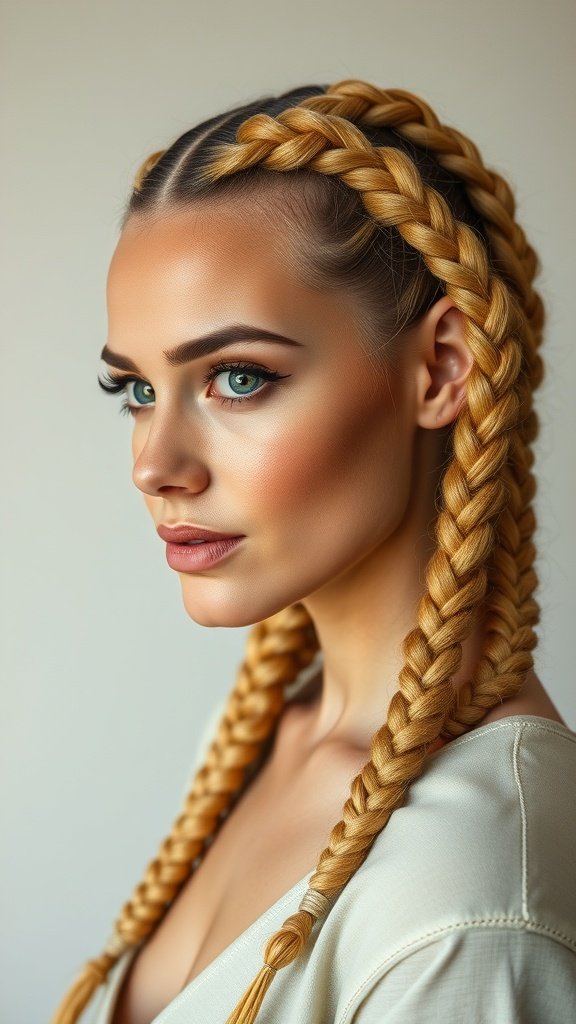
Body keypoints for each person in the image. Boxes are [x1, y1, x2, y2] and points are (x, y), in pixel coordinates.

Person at [52, 80, 576, 1024]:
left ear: (442, 368)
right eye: (134, 389)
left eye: (238, 378)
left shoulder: (473, 907)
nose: (154, 464)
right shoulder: (266, 731)